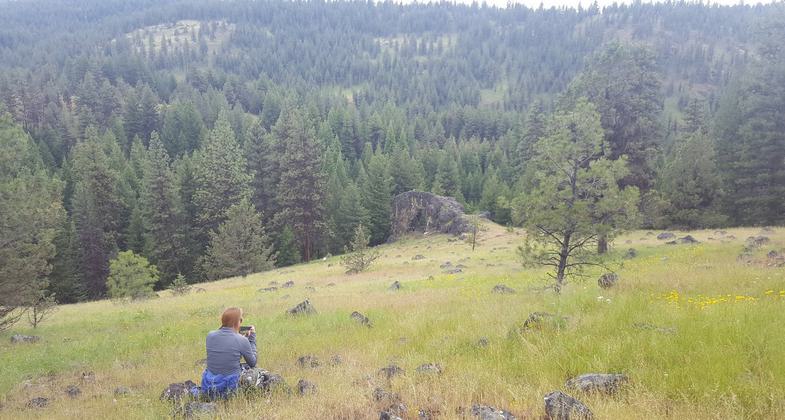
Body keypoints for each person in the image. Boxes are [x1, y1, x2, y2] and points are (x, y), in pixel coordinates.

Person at [197, 307, 257, 399]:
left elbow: (223, 340)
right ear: (238, 322)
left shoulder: (210, 335)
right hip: (229, 387)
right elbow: (253, 362)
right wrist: (251, 339)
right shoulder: (242, 340)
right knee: (254, 371)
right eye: (240, 319)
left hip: (209, 384)